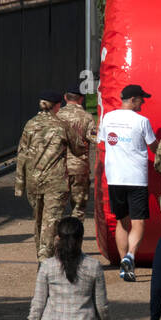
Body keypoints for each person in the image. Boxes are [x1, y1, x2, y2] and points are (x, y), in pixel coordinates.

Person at [98, 84, 159, 281]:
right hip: (136, 178)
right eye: (142, 99)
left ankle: (125, 264)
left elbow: (103, 140)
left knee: (121, 222)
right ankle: (131, 256)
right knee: (138, 221)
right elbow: (154, 147)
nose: (143, 102)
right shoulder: (142, 121)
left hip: (115, 177)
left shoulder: (108, 117)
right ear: (133, 100)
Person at [15, 90, 70, 260]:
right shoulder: (62, 126)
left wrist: (19, 185)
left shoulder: (30, 125)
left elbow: (21, 154)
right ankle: (45, 259)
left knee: (39, 220)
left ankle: (41, 255)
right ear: (58, 105)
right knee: (51, 221)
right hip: (55, 181)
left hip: (33, 181)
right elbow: (78, 147)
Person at [56, 81, 98, 221]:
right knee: (78, 208)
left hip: (57, 166)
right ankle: (74, 238)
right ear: (81, 98)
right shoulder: (87, 117)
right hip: (79, 167)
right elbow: (95, 139)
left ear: (65, 97)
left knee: (56, 209)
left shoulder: (56, 116)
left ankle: (55, 238)